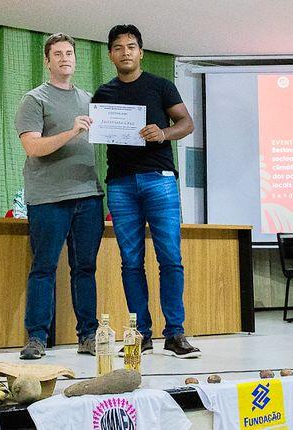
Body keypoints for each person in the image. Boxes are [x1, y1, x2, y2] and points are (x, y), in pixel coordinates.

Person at [92, 24, 200, 358]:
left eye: (131, 47)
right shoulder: (103, 93)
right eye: (118, 47)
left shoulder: (161, 85)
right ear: (110, 55)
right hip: (120, 183)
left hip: (159, 179)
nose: (125, 52)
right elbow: (98, 129)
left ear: (140, 52)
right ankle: (139, 334)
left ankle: (175, 333)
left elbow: (186, 123)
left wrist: (164, 134)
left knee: (171, 258)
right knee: (130, 261)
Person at [14, 33, 105, 360]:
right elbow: (32, 146)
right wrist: (71, 131)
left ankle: (88, 335)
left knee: (86, 268)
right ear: (47, 61)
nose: (65, 58)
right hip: (49, 198)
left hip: (89, 195)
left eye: (69, 53)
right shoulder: (34, 99)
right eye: (58, 54)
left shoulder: (89, 100)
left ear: (75, 59)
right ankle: (37, 338)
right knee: (44, 267)